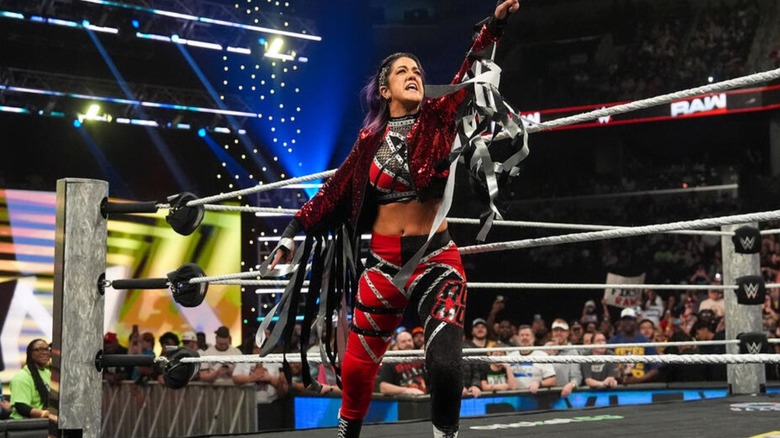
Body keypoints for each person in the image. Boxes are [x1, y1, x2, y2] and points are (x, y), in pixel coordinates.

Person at [266, 2, 522, 437]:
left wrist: (493, 27)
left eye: (418, 70)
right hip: (383, 266)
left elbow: (471, 70)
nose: (414, 75)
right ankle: (349, 431)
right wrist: (292, 233)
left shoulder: (440, 118)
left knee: (443, 360)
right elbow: (335, 191)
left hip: (437, 261)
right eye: (403, 71)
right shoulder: (369, 139)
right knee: (358, 365)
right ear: (385, 89)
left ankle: (446, 435)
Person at [10, 339, 52, 420]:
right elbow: (21, 407)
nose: (44, 352)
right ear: (30, 353)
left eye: (47, 349)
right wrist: (44, 413)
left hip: (44, 422)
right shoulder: (22, 377)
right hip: (25, 426)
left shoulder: (48, 373)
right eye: (39, 349)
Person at [506, 325, 557, 393]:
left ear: (533, 338)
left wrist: (539, 383)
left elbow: (552, 380)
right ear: (518, 338)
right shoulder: (510, 356)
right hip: (514, 397)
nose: (524, 337)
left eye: (527, 335)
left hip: (535, 397)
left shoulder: (542, 356)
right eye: (522, 335)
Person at [375, 331, 427, 396]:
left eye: (409, 340)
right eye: (403, 341)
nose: (408, 343)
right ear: (397, 344)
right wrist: (407, 391)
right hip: (405, 402)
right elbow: (383, 387)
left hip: (425, 398)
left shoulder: (420, 358)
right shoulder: (391, 361)